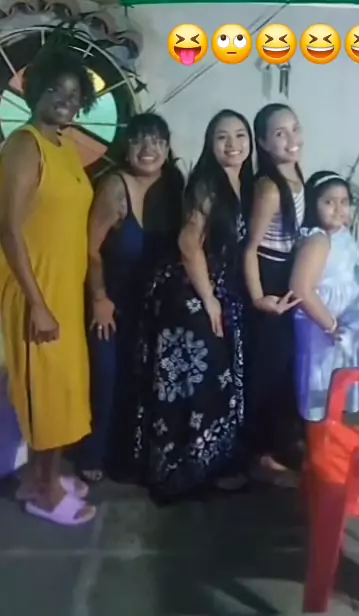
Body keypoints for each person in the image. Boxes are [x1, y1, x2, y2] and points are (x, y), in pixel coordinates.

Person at [132, 109, 253, 504]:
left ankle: (209, 465)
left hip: (216, 292)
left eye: (240, 135)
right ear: (209, 144)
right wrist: (208, 299)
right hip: (189, 295)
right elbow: (189, 244)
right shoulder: (206, 184)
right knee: (195, 383)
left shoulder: (242, 182)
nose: (232, 144)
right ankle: (182, 471)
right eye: (222, 137)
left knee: (214, 381)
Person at [0, 49, 97, 524]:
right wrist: (36, 303)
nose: (65, 99)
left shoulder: (65, 146)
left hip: (64, 290)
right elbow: (8, 228)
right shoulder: (24, 144)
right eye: (55, 89)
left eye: (74, 94)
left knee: (63, 391)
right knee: (47, 394)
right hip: (34, 289)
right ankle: (44, 493)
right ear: (35, 91)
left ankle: (42, 478)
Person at [76, 113, 185, 483]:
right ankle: (93, 452)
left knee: (143, 380)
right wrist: (99, 297)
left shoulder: (174, 188)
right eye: (139, 140)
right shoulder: (114, 187)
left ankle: (132, 454)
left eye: (157, 141)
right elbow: (90, 249)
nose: (148, 148)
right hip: (111, 301)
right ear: (127, 147)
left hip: (153, 306)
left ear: (167, 149)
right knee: (107, 377)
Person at [290, 171, 359, 422]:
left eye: (344, 202)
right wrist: (330, 324)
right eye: (329, 202)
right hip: (321, 319)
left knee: (337, 377)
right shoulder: (317, 241)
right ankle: (317, 431)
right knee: (321, 375)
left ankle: (331, 426)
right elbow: (301, 288)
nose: (338, 209)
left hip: (342, 315)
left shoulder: (339, 233)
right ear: (313, 204)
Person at [244, 103, 304, 486]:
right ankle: (261, 451)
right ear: (264, 143)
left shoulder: (295, 173)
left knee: (286, 364)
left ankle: (280, 442)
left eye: (295, 129)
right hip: (269, 274)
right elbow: (250, 247)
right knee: (269, 367)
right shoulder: (268, 187)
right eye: (280, 133)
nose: (291, 139)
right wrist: (258, 297)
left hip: (287, 273)